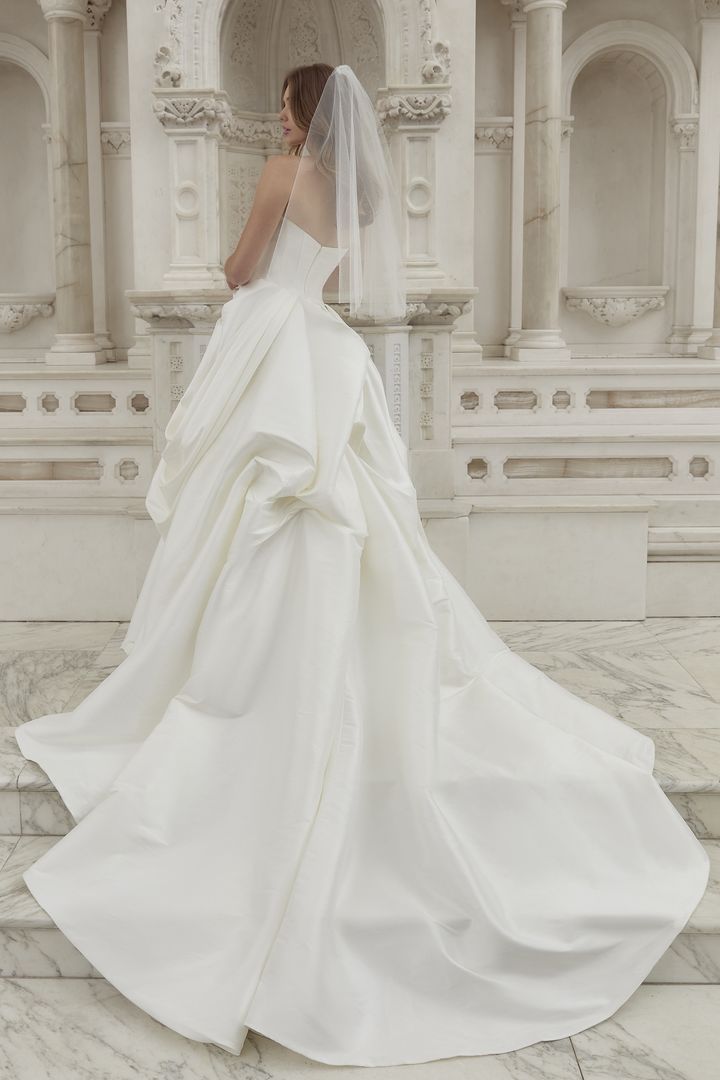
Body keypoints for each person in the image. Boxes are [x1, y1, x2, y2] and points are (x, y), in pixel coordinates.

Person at [14, 63, 710, 1068]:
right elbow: (317, 276)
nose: (276, 120)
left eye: (283, 110)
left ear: (298, 113)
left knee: (253, 515)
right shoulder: (356, 194)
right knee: (343, 516)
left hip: (268, 345)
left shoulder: (276, 174)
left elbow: (238, 273)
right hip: (320, 351)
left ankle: (238, 686)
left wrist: (257, 216)